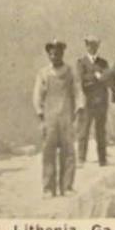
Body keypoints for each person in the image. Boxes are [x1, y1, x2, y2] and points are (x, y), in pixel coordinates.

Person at [33, 39, 79, 198]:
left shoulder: (70, 72)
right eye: (52, 53)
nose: (55, 56)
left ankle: (67, 187)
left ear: (62, 53)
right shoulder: (43, 73)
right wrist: (40, 114)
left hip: (66, 117)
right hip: (50, 118)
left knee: (68, 152)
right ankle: (48, 188)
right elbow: (37, 95)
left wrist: (78, 111)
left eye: (58, 53)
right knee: (48, 152)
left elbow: (78, 92)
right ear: (48, 55)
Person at [75, 35, 110, 167]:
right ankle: (81, 159)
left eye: (95, 45)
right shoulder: (81, 62)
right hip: (87, 101)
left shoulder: (104, 62)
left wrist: (95, 78)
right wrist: (96, 77)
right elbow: (81, 79)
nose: (93, 47)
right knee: (83, 131)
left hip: (101, 101)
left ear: (98, 46)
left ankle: (102, 159)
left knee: (101, 131)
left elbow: (108, 77)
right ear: (86, 46)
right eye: (90, 45)